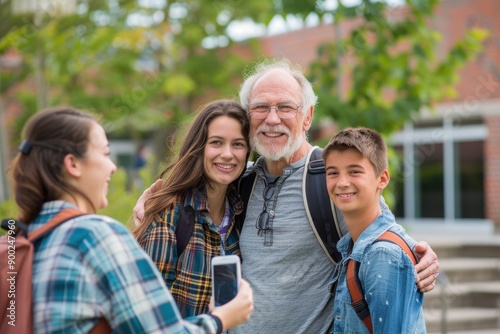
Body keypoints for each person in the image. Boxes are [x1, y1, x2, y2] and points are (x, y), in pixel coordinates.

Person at [135, 58, 439, 334]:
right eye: (261, 107)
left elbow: (380, 233)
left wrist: (420, 254)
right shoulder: (240, 182)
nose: (272, 118)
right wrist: (154, 201)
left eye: (285, 107)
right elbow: (194, 189)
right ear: (248, 118)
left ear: (307, 117)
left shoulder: (332, 178)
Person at [9, 106, 253, 333]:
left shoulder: (21, 236)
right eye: (105, 153)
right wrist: (221, 318)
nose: (113, 167)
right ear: (72, 164)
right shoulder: (96, 236)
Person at [132, 99, 251, 318]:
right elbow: (151, 317)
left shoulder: (240, 210)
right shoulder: (170, 216)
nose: (227, 154)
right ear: (198, 147)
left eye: (238, 144)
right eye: (216, 142)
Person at [323, 127, 426, 333]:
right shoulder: (352, 245)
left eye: (354, 171)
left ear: (383, 179)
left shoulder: (382, 254)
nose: (342, 183)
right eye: (333, 173)